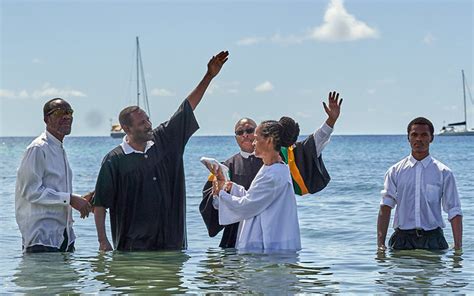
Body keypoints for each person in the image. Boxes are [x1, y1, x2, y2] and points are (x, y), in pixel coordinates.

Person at [93, 51, 229, 251]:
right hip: (133, 250)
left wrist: (208, 76)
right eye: (142, 123)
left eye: (148, 119)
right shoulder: (114, 160)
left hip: (172, 246)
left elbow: (186, 108)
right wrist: (103, 241)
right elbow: (100, 204)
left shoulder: (165, 140)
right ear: (127, 129)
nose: (149, 124)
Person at [200, 91, 342, 248]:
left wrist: (330, 122)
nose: (247, 136)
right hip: (239, 233)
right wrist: (227, 188)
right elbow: (244, 198)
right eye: (240, 132)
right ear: (236, 137)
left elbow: (311, 147)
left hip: (266, 239)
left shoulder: (278, 163)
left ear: (267, 140)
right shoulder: (228, 166)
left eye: (251, 132)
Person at [15, 98, 92, 253]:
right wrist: (70, 199)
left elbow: (54, 191)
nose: (66, 116)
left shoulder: (59, 148)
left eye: (69, 112)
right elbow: (31, 191)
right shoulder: (38, 148)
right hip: (41, 239)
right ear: (46, 119)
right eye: (59, 112)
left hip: (64, 237)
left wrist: (80, 200)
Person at [211, 120, 301, 252]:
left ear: (269, 141)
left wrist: (221, 194)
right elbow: (255, 198)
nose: (253, 143)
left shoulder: (273, 174)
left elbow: (248, 206)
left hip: (270, 248)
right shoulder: (271, 168)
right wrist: (232, 188)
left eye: (256, 139)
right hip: (269, 246)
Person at [377, 117, 463, 251]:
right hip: (402, 240)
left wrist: (458, 247)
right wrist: (380, 245)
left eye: (424, 135)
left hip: (434, 240)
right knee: (400, 272)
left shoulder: (444, 172)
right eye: (414, 135)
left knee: (435, 272)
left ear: (431, 138)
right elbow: (386, 206)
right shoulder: (395, 171)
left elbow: (454, 209)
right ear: (408, 138)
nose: (419, 139)